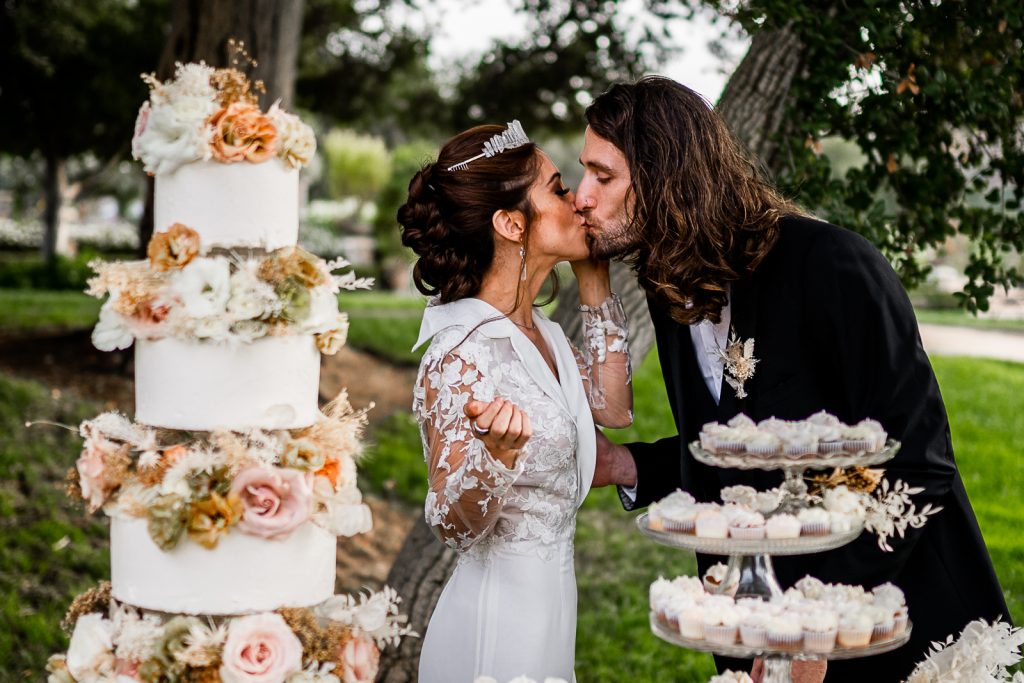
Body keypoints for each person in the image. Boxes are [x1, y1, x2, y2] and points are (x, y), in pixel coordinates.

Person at [578, 77, 1010, 682]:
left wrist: (816, 624)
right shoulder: (669, 284)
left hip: (897, 628)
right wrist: (630, 466)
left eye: (603, 176)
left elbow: (917, 462)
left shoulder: (833, 266)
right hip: (760, 630)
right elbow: (751, 449)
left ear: (664, 179)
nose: (581, 197)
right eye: (583, 174)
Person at [399, 122, 634, 682]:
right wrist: (494, 460)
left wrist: (594, 282)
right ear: (509, 223)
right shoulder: (458, 356)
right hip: (496, 627)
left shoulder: (545, 334)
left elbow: (613, 408)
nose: (579, 198)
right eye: (557, 189)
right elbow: (452, 527)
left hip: (554, 611)